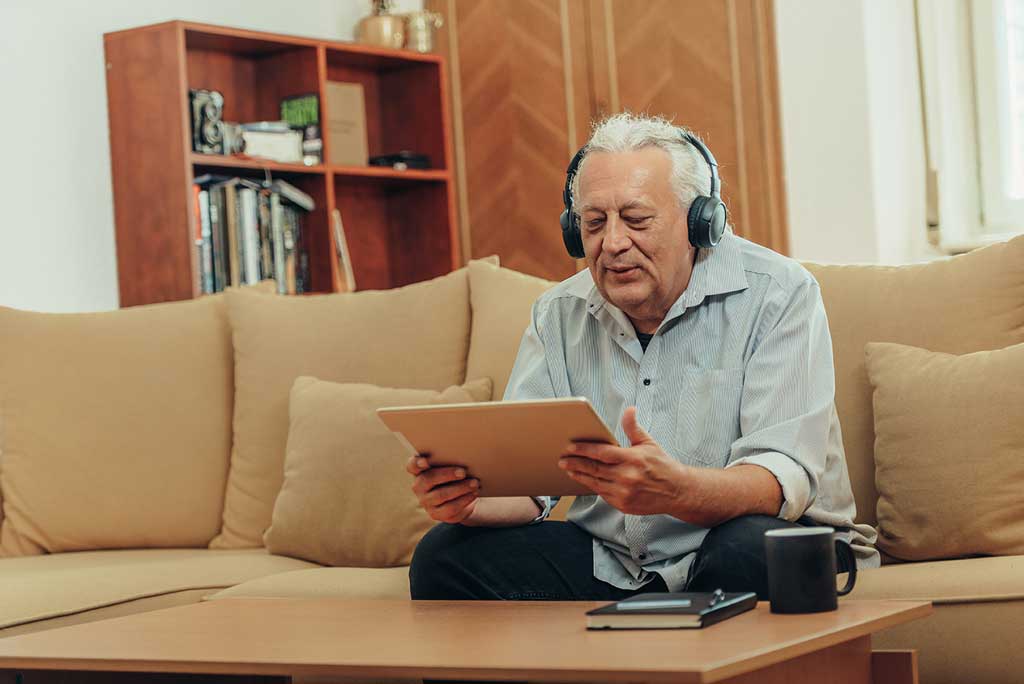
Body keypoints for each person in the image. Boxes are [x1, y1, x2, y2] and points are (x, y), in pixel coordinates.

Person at [407, 113, 878, 602]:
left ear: (700, 222)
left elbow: (778, 483)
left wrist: (679, 491)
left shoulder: (779, 295)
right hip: (616, 560)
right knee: (444, 555)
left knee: (749, 551)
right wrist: (469, 503)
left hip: (756, 539)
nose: (612, 243)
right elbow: (532, 486)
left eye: (636, 220)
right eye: (593, 224)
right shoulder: (558, 314)